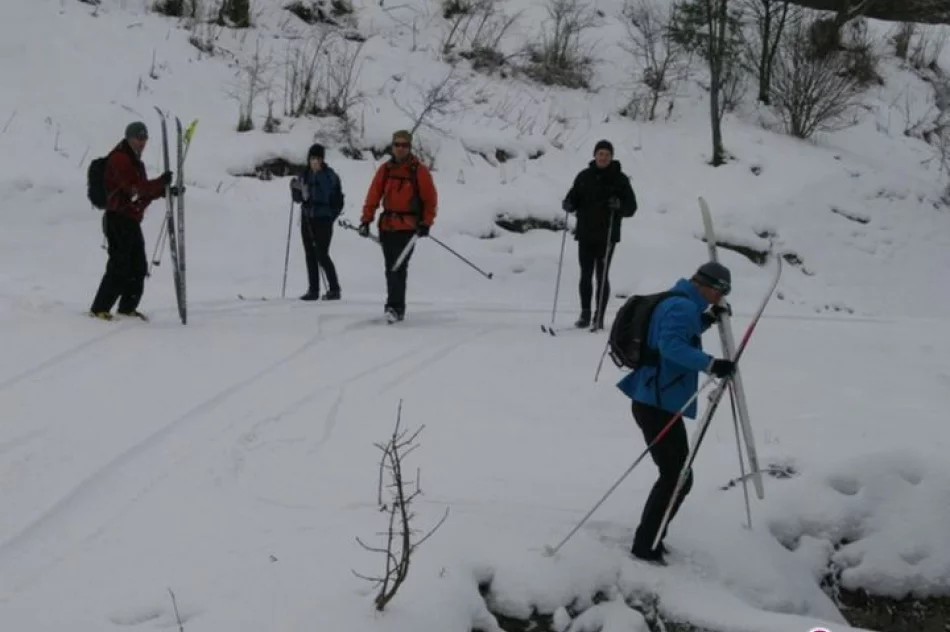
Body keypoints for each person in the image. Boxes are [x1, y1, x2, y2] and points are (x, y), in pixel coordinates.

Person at [616, 261, 737, 564]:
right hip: (657, 401)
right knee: (676, 476)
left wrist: (708, 319)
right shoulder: (682, 307)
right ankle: (646, 545)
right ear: (707, 285)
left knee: (677, 475)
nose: (719, 299)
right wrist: (711, 364)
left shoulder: (679, 302)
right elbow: (671, 346)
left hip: (655, 398)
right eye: (720, 293)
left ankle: (651, 539)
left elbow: (674, 333)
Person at [89, 122, 173, 321]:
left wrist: (164, 191)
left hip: (130, 220)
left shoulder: (137, 163)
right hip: (117, 218)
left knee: (138, 266)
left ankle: (127, 308)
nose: (142, 142)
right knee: (119, 264)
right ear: (129, 138)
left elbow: (141, 194)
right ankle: (99, 308)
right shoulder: (119, 159)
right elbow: (133, 188)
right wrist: (160, 183)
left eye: (144, 138)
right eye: (138, 137)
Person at [359, 130, 438, 323]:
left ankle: (395, 307)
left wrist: (426, 223)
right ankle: (394, 307)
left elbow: (430, 199)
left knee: (397, 267)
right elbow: (373, 195)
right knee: (390, 268)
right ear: (392, 146)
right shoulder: (385, 170)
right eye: (397, 145)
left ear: (409, 147)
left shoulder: (419, 171)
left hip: (409, 228)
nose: (400, 148)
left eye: (404, 145)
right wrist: (366, 220)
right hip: (387, 226)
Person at [562, 139, 638, 331]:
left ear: (611, 157)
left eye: (607, 154)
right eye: (600, 154)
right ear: (595, 155)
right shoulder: (584, 176)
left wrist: (619, 206)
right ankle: (585, 314)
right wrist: (569, 204)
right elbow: (573, 198)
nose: (603, 157)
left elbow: (631, 208)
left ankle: (599, 316)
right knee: (585, 275)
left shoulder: (620, 179)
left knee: (602, 276)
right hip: (585, 233)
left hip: (607, 235)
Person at [290, 143, 345, 301]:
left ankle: (334, 289)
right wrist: (294, 190)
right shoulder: (304, 174)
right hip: (308, 218)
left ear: (322, 160)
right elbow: (298, 199)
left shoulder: (329, 175)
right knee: (310, 254)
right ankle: (313, 289)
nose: (314, 161)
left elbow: (334, 196)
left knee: (322, 254)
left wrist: (330, 217)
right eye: (312, 158)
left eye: (318, 158)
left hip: (323, 219)